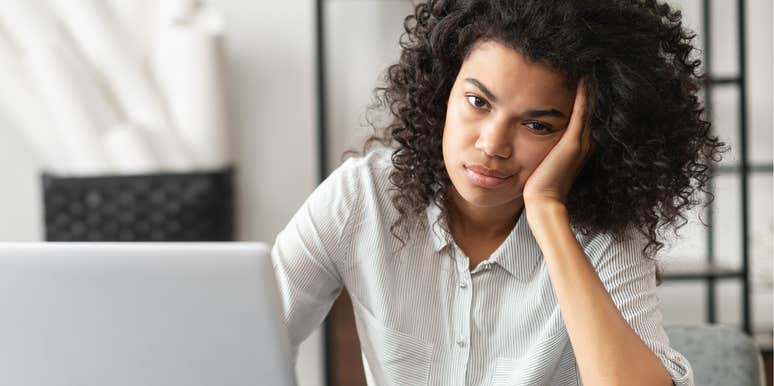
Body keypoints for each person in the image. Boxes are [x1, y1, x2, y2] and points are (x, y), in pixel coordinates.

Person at [271, 0, 724, 385]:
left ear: (589, 136)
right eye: (478, 102)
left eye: (537, 125)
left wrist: (547, 212)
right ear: (443, 89)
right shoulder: (363, 196)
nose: (492, 144)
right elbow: (239, 340)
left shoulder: (605, 235)